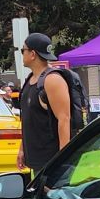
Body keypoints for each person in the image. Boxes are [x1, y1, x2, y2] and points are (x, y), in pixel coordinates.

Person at [17, 32, 78, 175]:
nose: (22, 54)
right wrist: (22, 149)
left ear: (32, 54)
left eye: (23, 50)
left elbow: (64, 119)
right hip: (36, 159)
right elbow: (29, 119)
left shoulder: (52, 80)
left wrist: (62, 159)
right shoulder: (31, 79)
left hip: (51, 159)